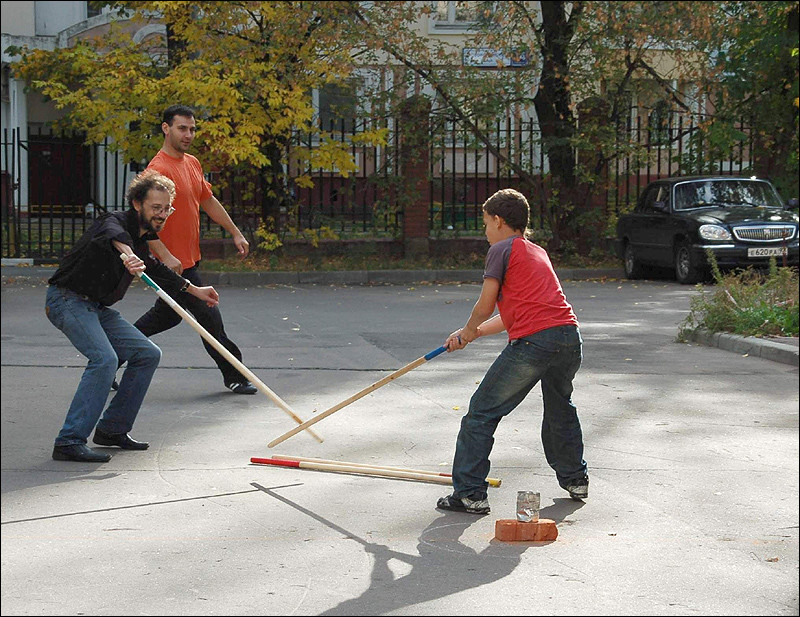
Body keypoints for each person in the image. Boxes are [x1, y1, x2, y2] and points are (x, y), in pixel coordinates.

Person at [46, 171, 220, 462]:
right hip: (67, 299)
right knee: (105, 359)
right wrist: (128, 254)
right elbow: (116, 238)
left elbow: (158, 271)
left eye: (167, 209)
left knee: (146, 353)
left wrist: (194, 290)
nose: (162, 214)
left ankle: (112, 430)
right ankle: (68, 441)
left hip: (97, 307)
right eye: (156, 208)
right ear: (138, 204)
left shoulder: (144, 239)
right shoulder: (112, 221)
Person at [436, 188, 588, 515]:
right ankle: (576, 478)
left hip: (536, 342)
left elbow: (485, 303)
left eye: (485, 223)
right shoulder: (536, 252)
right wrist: (471, 335)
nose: (485, 231)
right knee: (560, 406)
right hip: (568, 337)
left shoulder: (500, 250)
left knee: (481, 412)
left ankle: (469, 494)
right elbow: (511, 315)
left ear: (499, 220)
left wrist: (467, 329)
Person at [127, 104, 257, 394]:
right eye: (181, 128)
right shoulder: (156, 170)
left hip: (188, 260)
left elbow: (207, 201)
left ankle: (114, 351)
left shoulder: (192, 163)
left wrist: (235, 232)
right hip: (168, 264)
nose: (188, 134)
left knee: (168, 315)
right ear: (166, 128)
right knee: (209, 316)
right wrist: (166, 255)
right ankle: (235, 373)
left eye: (192, 129)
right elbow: (142, 223)